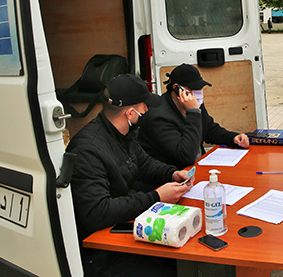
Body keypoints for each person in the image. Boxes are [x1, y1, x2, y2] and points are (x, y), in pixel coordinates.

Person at [66, 74, 190, 277]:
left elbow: (144, 164)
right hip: (100, 253)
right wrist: (156, 197)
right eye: (144, 107)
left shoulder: (123, 134)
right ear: (131, 113)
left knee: (179, 256)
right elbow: (97, 213)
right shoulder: (87, 150)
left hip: (122, 230)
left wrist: (171, 173)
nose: (147, 111)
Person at [138, 64, 249, 168]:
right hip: (173, 174)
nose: (198, 93)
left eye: (200, 89)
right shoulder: (158, 117)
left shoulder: (194, 104)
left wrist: (233, 138)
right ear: (177, 88)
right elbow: (185, 156)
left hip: (198, 167)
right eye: (193, 89)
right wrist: (193, 112)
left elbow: (209, 129)